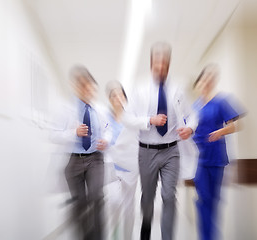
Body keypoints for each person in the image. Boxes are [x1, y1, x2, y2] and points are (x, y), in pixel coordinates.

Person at [129, 42, 198, 240]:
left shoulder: (178, 90)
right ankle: (146, 226)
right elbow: (129, 118)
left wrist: (190, 128)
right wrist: (148, 120)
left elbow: (192, 116)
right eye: (158, 63)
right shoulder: (140, 90)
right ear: (151, 64)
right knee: (148, 197)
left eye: (165, 64)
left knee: (169, 196)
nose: (162, 68)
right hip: (147, 151)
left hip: (171, 151)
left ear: (168, 65)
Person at [49, 65, 111, 240]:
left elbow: (108, 129)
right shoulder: (64, 109)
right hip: (74, 160)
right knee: (79, 204)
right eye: (82, 85)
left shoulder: (100, 109)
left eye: (90, 85)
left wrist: (105, 139)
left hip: (95, 159)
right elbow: (52, 135)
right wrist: (73, 133)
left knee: (96, 197)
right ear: (75, 86)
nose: (87, 89)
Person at [192, 64, 243, 240]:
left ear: (215, 81)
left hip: (217, 159)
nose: (207, 81)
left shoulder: (221, 101)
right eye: (205, 77)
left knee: (213, 202)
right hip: (198, 160)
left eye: (212, 77)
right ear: (198, 82)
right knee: (203, 200)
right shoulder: (193, 107)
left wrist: (220, 132)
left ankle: (211, 236)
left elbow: (236, 125)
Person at [103, 81, 141, 240]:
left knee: (128, 207)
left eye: (120, 94)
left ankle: (127, 237)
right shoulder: (105, 117)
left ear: (125, 97)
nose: (117, 97)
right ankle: (114, 235)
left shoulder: (133, 117)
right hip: (112, 166)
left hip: (130, 167)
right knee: (114, 202)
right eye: (113, 95)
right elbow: (103, 135)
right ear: (110, 99)